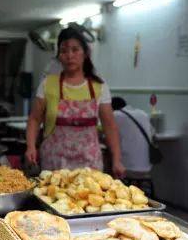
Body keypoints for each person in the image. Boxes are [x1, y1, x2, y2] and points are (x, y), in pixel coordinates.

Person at [25, 27, 125, 178]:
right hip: (54, 163)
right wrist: (31, 146)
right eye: (64, 51)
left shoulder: (99, 86)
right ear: (59, 56)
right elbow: (34, 119)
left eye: (75, 49)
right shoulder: (48, 84)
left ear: (85, 53)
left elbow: (109, 126)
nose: (69, 55)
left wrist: (117, 159)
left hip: (90, 164)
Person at [111, 97, 152, 174]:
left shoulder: (115, 115)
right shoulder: (143, 114)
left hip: (127, 167)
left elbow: (108, 135)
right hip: (147, 166)